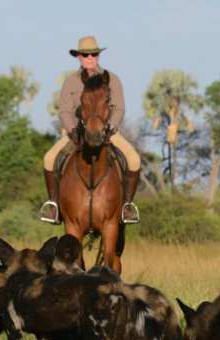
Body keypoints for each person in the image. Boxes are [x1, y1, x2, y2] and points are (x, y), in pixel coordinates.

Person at [40, 35, 142, 224]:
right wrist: (72, 130)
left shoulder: (111, 79)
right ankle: (53, 205)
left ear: (98, 56)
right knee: (49, 158)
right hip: (76, 133)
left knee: (134, 160)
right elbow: (64, 110)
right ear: (79, 57)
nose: (90, 58)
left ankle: (127, 206)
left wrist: (111, 127)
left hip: (108, 132)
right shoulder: (71, 81)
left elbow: (119, 108)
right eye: (86, 55)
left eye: (93, 54)